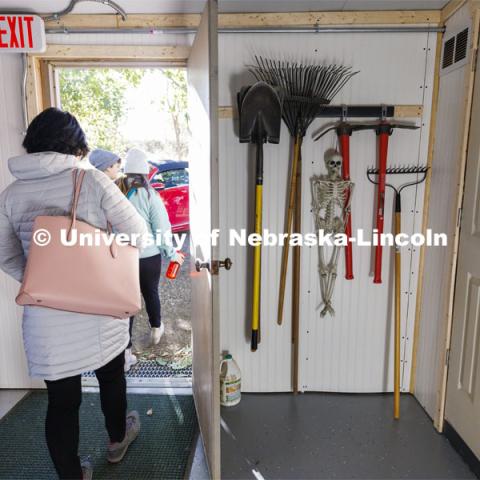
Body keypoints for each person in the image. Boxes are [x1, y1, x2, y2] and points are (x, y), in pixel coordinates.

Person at [0, 108, 148, 480]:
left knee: (62, 403)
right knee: (111, 378)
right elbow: (138, 234)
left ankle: (72, 474)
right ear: (76, 143)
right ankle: (117, 441)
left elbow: (5, 254)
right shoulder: (91, 180)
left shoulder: (11, 193)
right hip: (99, 307)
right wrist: (100, 261)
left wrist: (43, 283)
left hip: (46, 318)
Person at [118, 148, 184, 366]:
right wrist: (172, 254)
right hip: (148, 257)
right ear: (145, 173)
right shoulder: (150, 196)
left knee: (127, 302)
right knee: (150, 293)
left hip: (122, 258)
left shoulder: (116, 194)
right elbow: (162, 231)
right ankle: (156, 327)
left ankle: (125, 352)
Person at [89, 148, 138, 371]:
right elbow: (135, 229)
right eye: (116, 164)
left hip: (91, 260)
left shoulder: (83, 185)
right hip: (113, 257)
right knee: (122, 308)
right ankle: (123, 357)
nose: (119, 168)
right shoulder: (107, 188)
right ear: (107, 167)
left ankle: (115, 357)